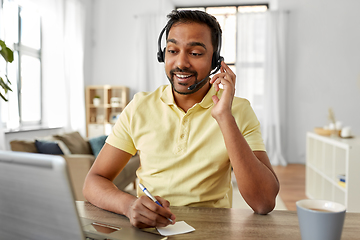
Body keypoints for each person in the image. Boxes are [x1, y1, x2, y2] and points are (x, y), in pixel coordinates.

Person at [83, 10, 279, 229]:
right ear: (162, 55)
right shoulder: (140, 107)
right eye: (172, 50)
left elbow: (263, 202)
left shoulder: (238, 110)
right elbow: (94, 181)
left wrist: (225, 118)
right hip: (150, 230)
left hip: (212, 230)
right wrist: (129, 206)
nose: (181, 63)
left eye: (195, 53)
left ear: (216, 60)